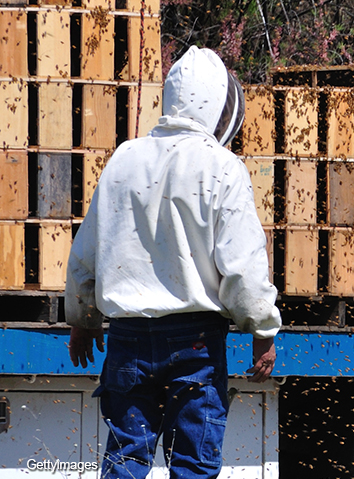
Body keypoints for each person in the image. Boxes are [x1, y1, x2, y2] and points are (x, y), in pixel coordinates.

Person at [64, 46, 281, 478]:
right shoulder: (222, 166)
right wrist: (262, 330)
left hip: (127, 337)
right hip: (195, 343)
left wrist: (82, 317)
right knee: (192, 466)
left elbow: (87, 249)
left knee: (125, 460)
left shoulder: (125, 157)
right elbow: (243, 263)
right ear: (217, 103)